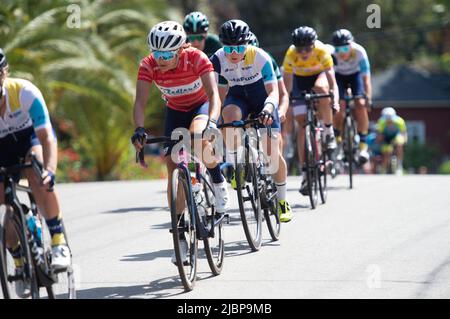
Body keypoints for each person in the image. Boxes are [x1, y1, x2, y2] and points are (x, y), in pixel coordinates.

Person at [130, 21, 230, 264]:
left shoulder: (196, 59)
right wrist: (139, 129)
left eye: (166, 54)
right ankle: (180, 236)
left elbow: (213, 95)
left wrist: (213, 122)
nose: (160, 59)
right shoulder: (148, 65)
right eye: (156, 53)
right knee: (172, 168)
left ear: (180, 49)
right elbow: (140, 102)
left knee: (196, 137)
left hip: (200, 106)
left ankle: (217, 180)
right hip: (175, 111)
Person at [0, 48, 71, 297]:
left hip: (30, 140)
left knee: (37, 175)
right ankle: (19, 260)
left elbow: (47, 138)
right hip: (2, 149)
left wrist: (50, 170)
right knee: (3, 201)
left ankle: (57, 238)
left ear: (4, 73)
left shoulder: (24, 92)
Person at [211, 19, 292, 223]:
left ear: (247, 44)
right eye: (229, 49)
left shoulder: (260, 57)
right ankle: (237, 163)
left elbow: (273, 92)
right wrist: (216, 121)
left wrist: (268, 108)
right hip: (237, 99)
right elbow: (219, 97)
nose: (234, 53)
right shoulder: (218, 59)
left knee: (272, 153)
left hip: (262, 100)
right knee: (228, 118)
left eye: (239, 48)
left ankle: (282, 201)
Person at [282, 26, 340, 195]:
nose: (304, 52)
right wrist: (287, 105)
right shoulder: (291, 54)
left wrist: (334, 101)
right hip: (300, 83)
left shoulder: (322, 51)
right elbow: (287, 88)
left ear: (314, 45)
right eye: (300, 49)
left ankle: (328, 132)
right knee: (302, 126)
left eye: (308, 48)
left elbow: (333, 84)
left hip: (319, 77)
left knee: (321, 88)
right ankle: (306, 173)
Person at [329, 29, 372, 164]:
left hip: (355, 76)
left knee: (360, 103)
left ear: (352, 45)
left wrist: (368, 98)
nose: (342, 52)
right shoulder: (330, 54)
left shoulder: (360, 52)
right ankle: (339, 140)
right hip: (338, 77)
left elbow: (366, 80)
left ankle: (363, 145)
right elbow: (328, 77)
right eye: (339, 49)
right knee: (339, 106)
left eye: (346, 48)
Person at [375, 107, 407, 175]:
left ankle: (399, 166)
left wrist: (403, 142)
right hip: (386, 137)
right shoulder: (381, 122)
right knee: (387, 153)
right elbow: (379, 136)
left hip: (396, 136)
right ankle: (383, 169)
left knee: (399, 144)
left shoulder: (400, 121)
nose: (389, 121)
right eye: (387, 119)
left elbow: (403, 133)